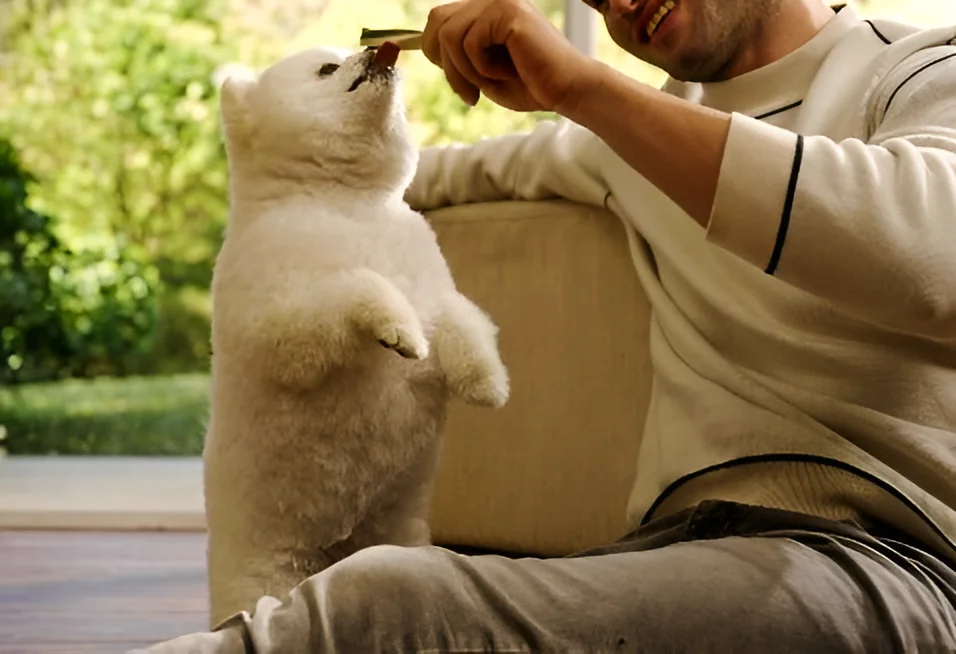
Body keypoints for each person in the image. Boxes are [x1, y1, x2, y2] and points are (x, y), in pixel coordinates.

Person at [136, 0, 956, 651]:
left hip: (891, 564)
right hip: (676, 557)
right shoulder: (624, 141)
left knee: (386, 607)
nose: (624, 8)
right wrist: (285, 198)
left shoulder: (915, 65)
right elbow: (412, 181)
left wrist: (586, 91)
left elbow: (930, 254)